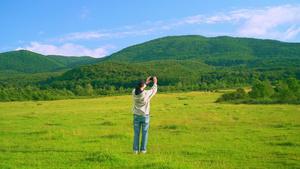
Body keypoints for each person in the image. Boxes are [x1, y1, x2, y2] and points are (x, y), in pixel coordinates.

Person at [132, 76, 157, 154]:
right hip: (145, 115)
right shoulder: (146, 94)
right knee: (144, 133)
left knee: (136, 133)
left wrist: (145, 83)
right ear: (142, 85)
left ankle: (135, 150)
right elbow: (153, 90)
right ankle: (143, 150)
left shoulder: (133, 92)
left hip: (136, 115)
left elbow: (139, 89)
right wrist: (155, 83)